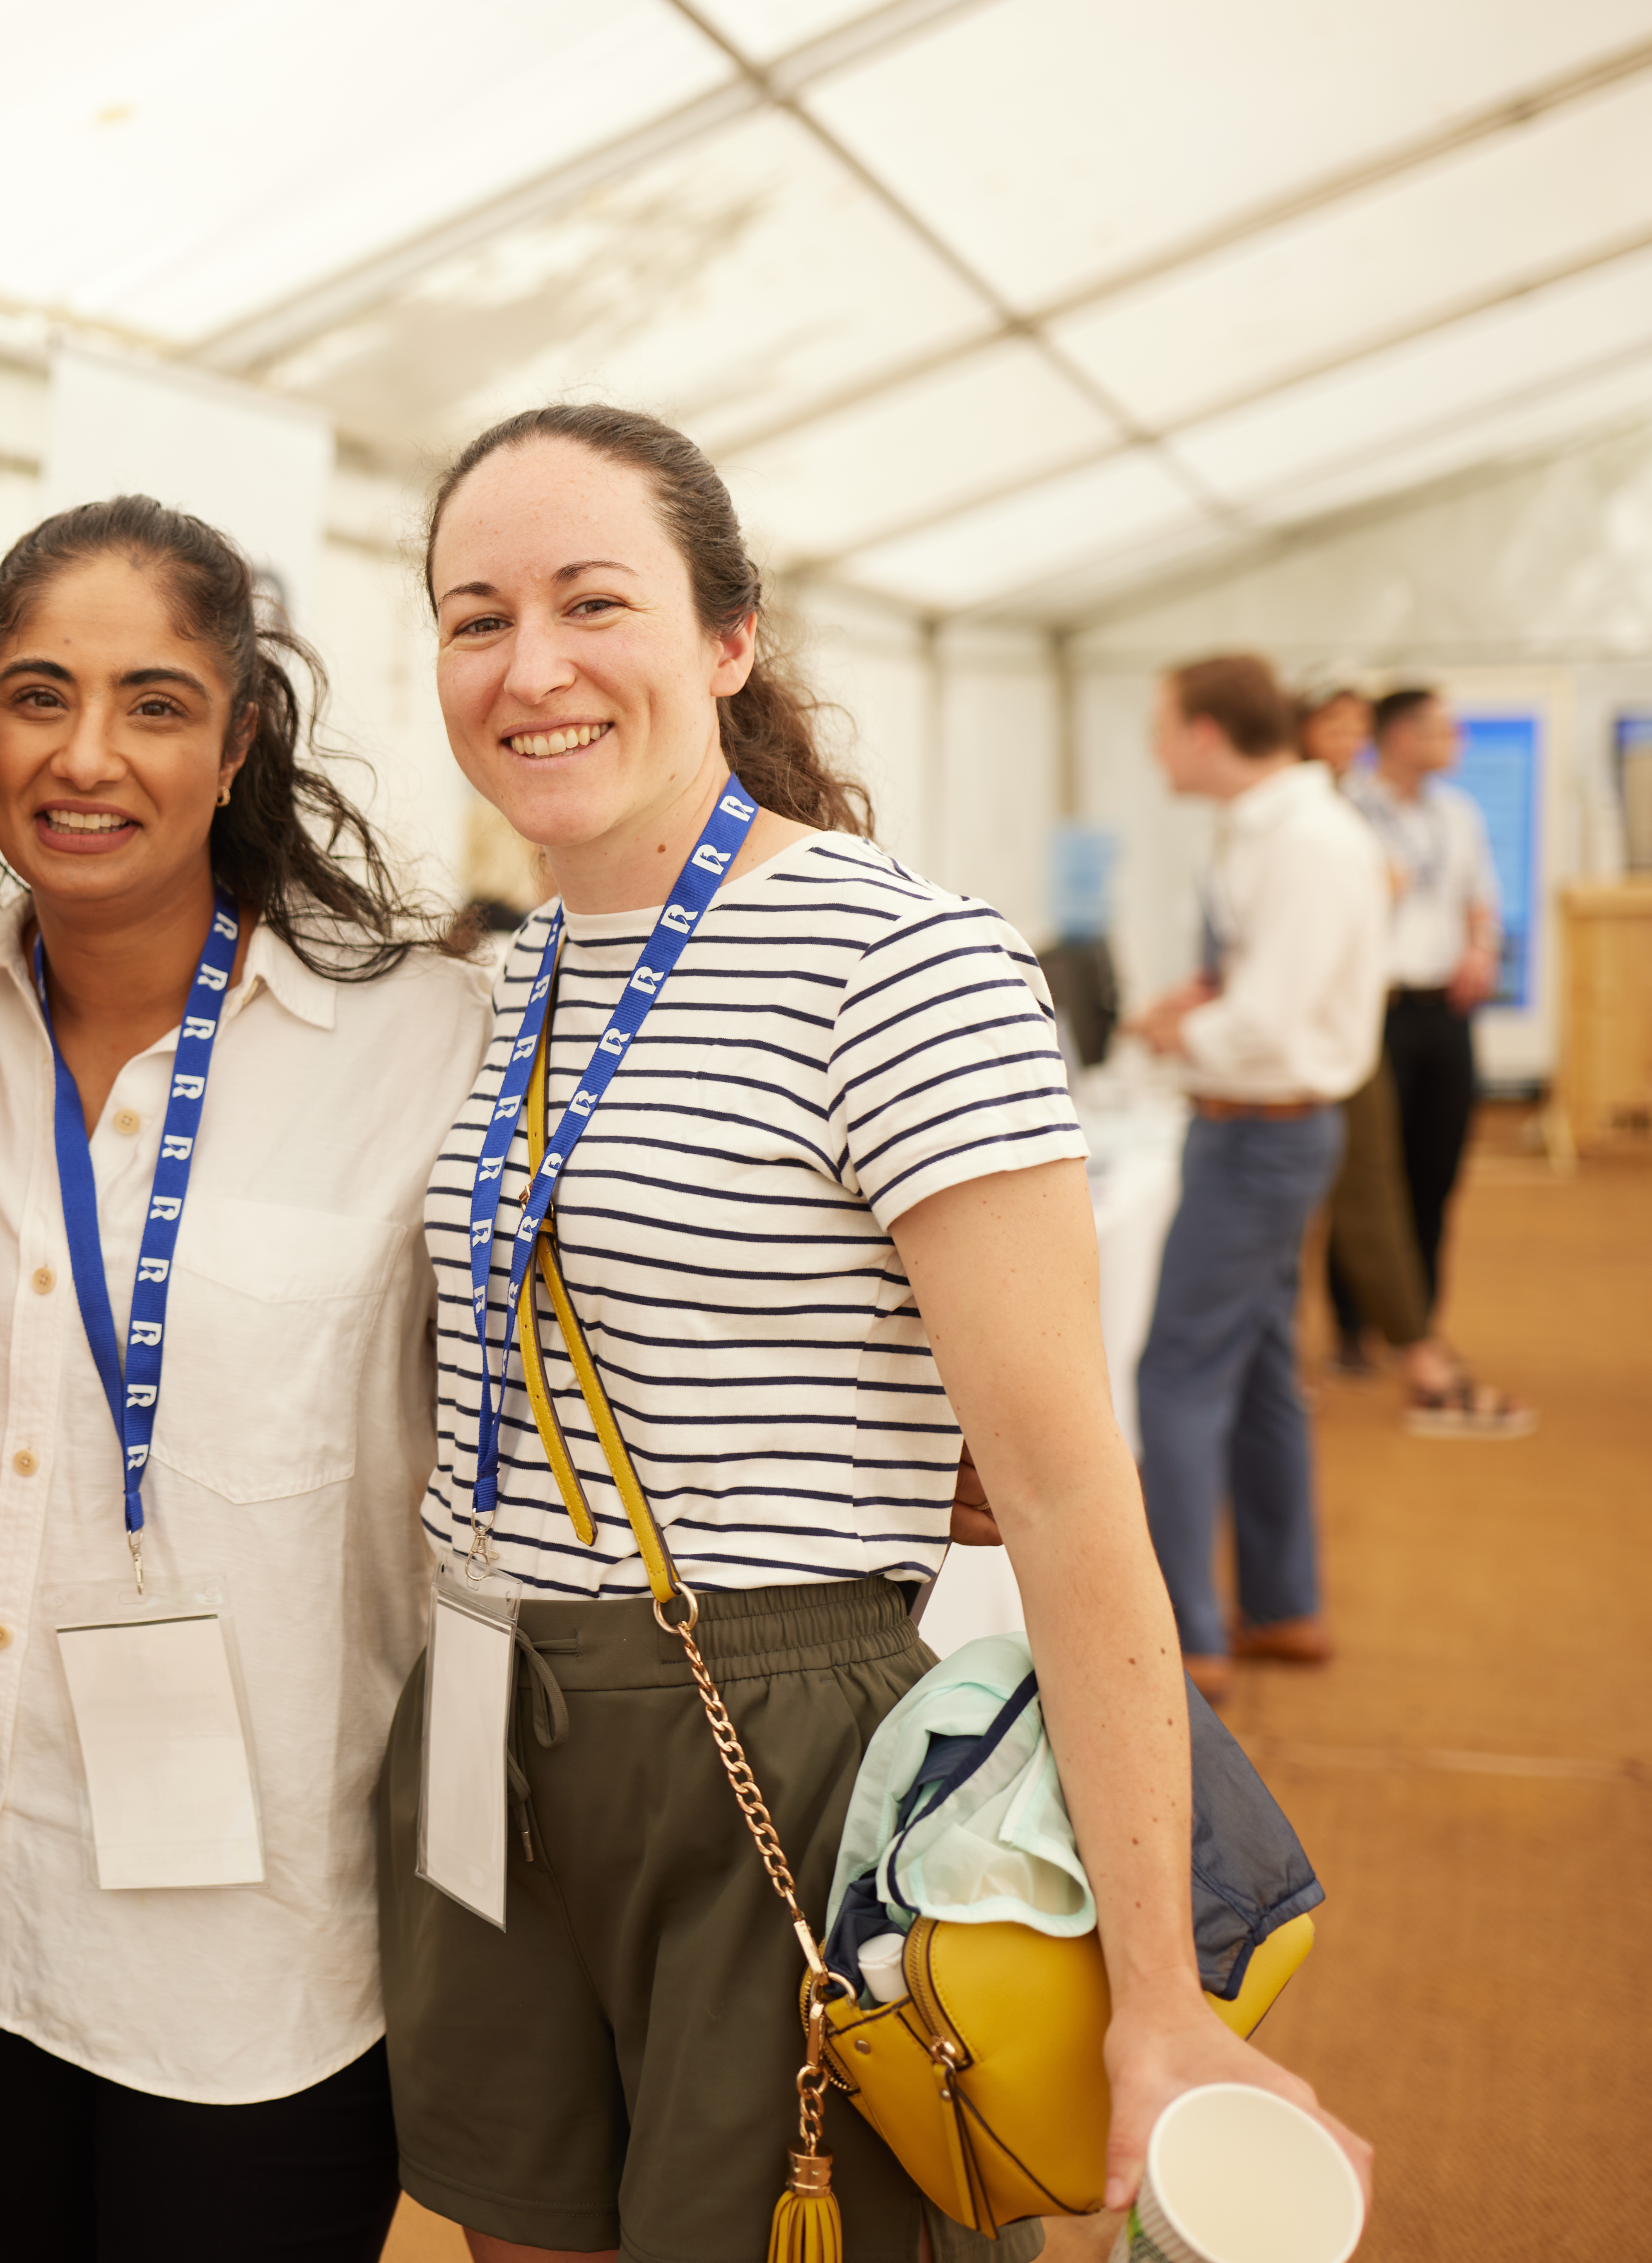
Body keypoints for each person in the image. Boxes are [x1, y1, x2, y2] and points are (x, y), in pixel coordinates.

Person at [377, 408, 1365, 2263]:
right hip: (487, 1711)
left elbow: (1073, 1500)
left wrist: (1154, 1986)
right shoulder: (496, 977)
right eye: (471, 616)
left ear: (728, 638)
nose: (529, 667)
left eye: (594, 602)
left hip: (769, 1725)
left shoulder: (895, 961)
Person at [0, 497, 491, 2261]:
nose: (85, 756)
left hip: (267, 1966)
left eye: (153, 703)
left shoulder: (422, 1040)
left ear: (235, 743)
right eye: (34, 695)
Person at [1120, 655, 1391, 1694]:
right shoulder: (1272, 831)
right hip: (1260, 1127)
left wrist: (1168, 1031)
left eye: (1161, 726)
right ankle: (1283, 1605)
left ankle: (1186, 1633)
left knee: (1175, 1376)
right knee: (1262, 1370)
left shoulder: (1308, 841)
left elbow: (1268, 1023)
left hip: (1261, 1129)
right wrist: (1201, 1013)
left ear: (1204, 733)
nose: (1152, 749)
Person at [1343, 688, 1531, 1438]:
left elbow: (1481, 896)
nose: (1452, 738)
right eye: (1436, 727)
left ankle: (1419, 1324)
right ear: (1395, 735)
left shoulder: (1459, 814)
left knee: (1436, 1168)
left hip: (1444, 1011)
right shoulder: (1350, 812)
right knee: (1369, 1172)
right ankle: (1359, 1329)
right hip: (1375, 1010)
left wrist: (1482, 950)